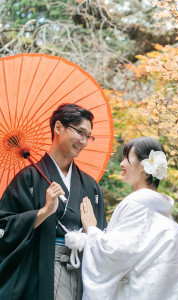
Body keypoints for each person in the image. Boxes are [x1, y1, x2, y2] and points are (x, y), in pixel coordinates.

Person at [0, 104, 107, 300]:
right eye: (80, 132)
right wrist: (44, 211)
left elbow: (101, 234)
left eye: (88, 136)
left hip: (82, 272)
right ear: (58, 127)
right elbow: (4, 226)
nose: (83, 141)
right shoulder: (28, 178)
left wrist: (90, 231)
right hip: (41, 270)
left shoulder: (90, 186)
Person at [80, 137, 178, 300]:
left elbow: (114, 253)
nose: (121, 164)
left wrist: (91, 229)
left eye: (127, 158)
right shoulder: (162, 211)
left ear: (143, 166)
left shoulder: (135, 204)